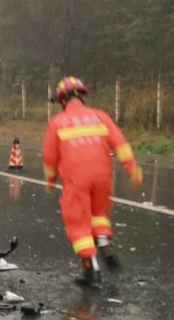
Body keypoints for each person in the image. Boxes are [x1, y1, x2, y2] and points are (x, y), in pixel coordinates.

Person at [43, 76, 143, 287]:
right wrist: (132, 168)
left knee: (78, 222)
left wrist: (51, 181)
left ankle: (91, 268)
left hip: (77, 180)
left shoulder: (57, 123)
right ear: (82, 96)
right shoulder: (100, 116)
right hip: (103, 177)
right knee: (99, 214)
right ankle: (105, 243)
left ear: (62, 100)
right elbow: (120, 143)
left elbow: (50, 157)